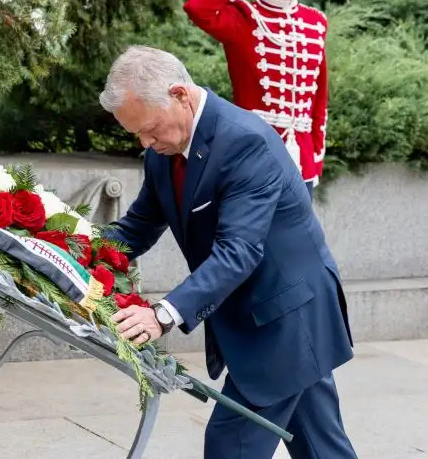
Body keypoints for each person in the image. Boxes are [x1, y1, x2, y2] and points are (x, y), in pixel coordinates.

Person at [99, 45, 357, 459]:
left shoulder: (244, 142)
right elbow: (140, 225)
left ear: (180, 95)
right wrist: (74, 252)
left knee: (231, 446)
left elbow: (238, 250)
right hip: (272, 314)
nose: (145, 142)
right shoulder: (164, 151)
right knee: (322, 448)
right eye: (137, 135)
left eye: (150, 129)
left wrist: (162, 315)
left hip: (288, 317)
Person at [183, 0, 328, 198]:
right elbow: (197, 6)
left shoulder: (315, 22)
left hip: (302, 161)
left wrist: (316, 160)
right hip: (254, 156)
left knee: (298, 241)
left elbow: (319, 100)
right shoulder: (244, 18)